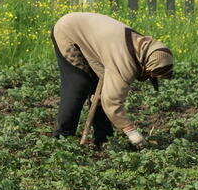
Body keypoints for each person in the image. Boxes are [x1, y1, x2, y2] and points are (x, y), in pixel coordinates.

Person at [51, 12, 174, 149]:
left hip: (91, 36)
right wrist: (132, 133)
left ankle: (103, 138)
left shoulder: (142, 48)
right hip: (68, 31)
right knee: (78, 84)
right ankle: (63, 137)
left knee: (102, 89)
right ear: (146, 65)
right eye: (149, 75)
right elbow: (112, 103)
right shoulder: (124, 63)